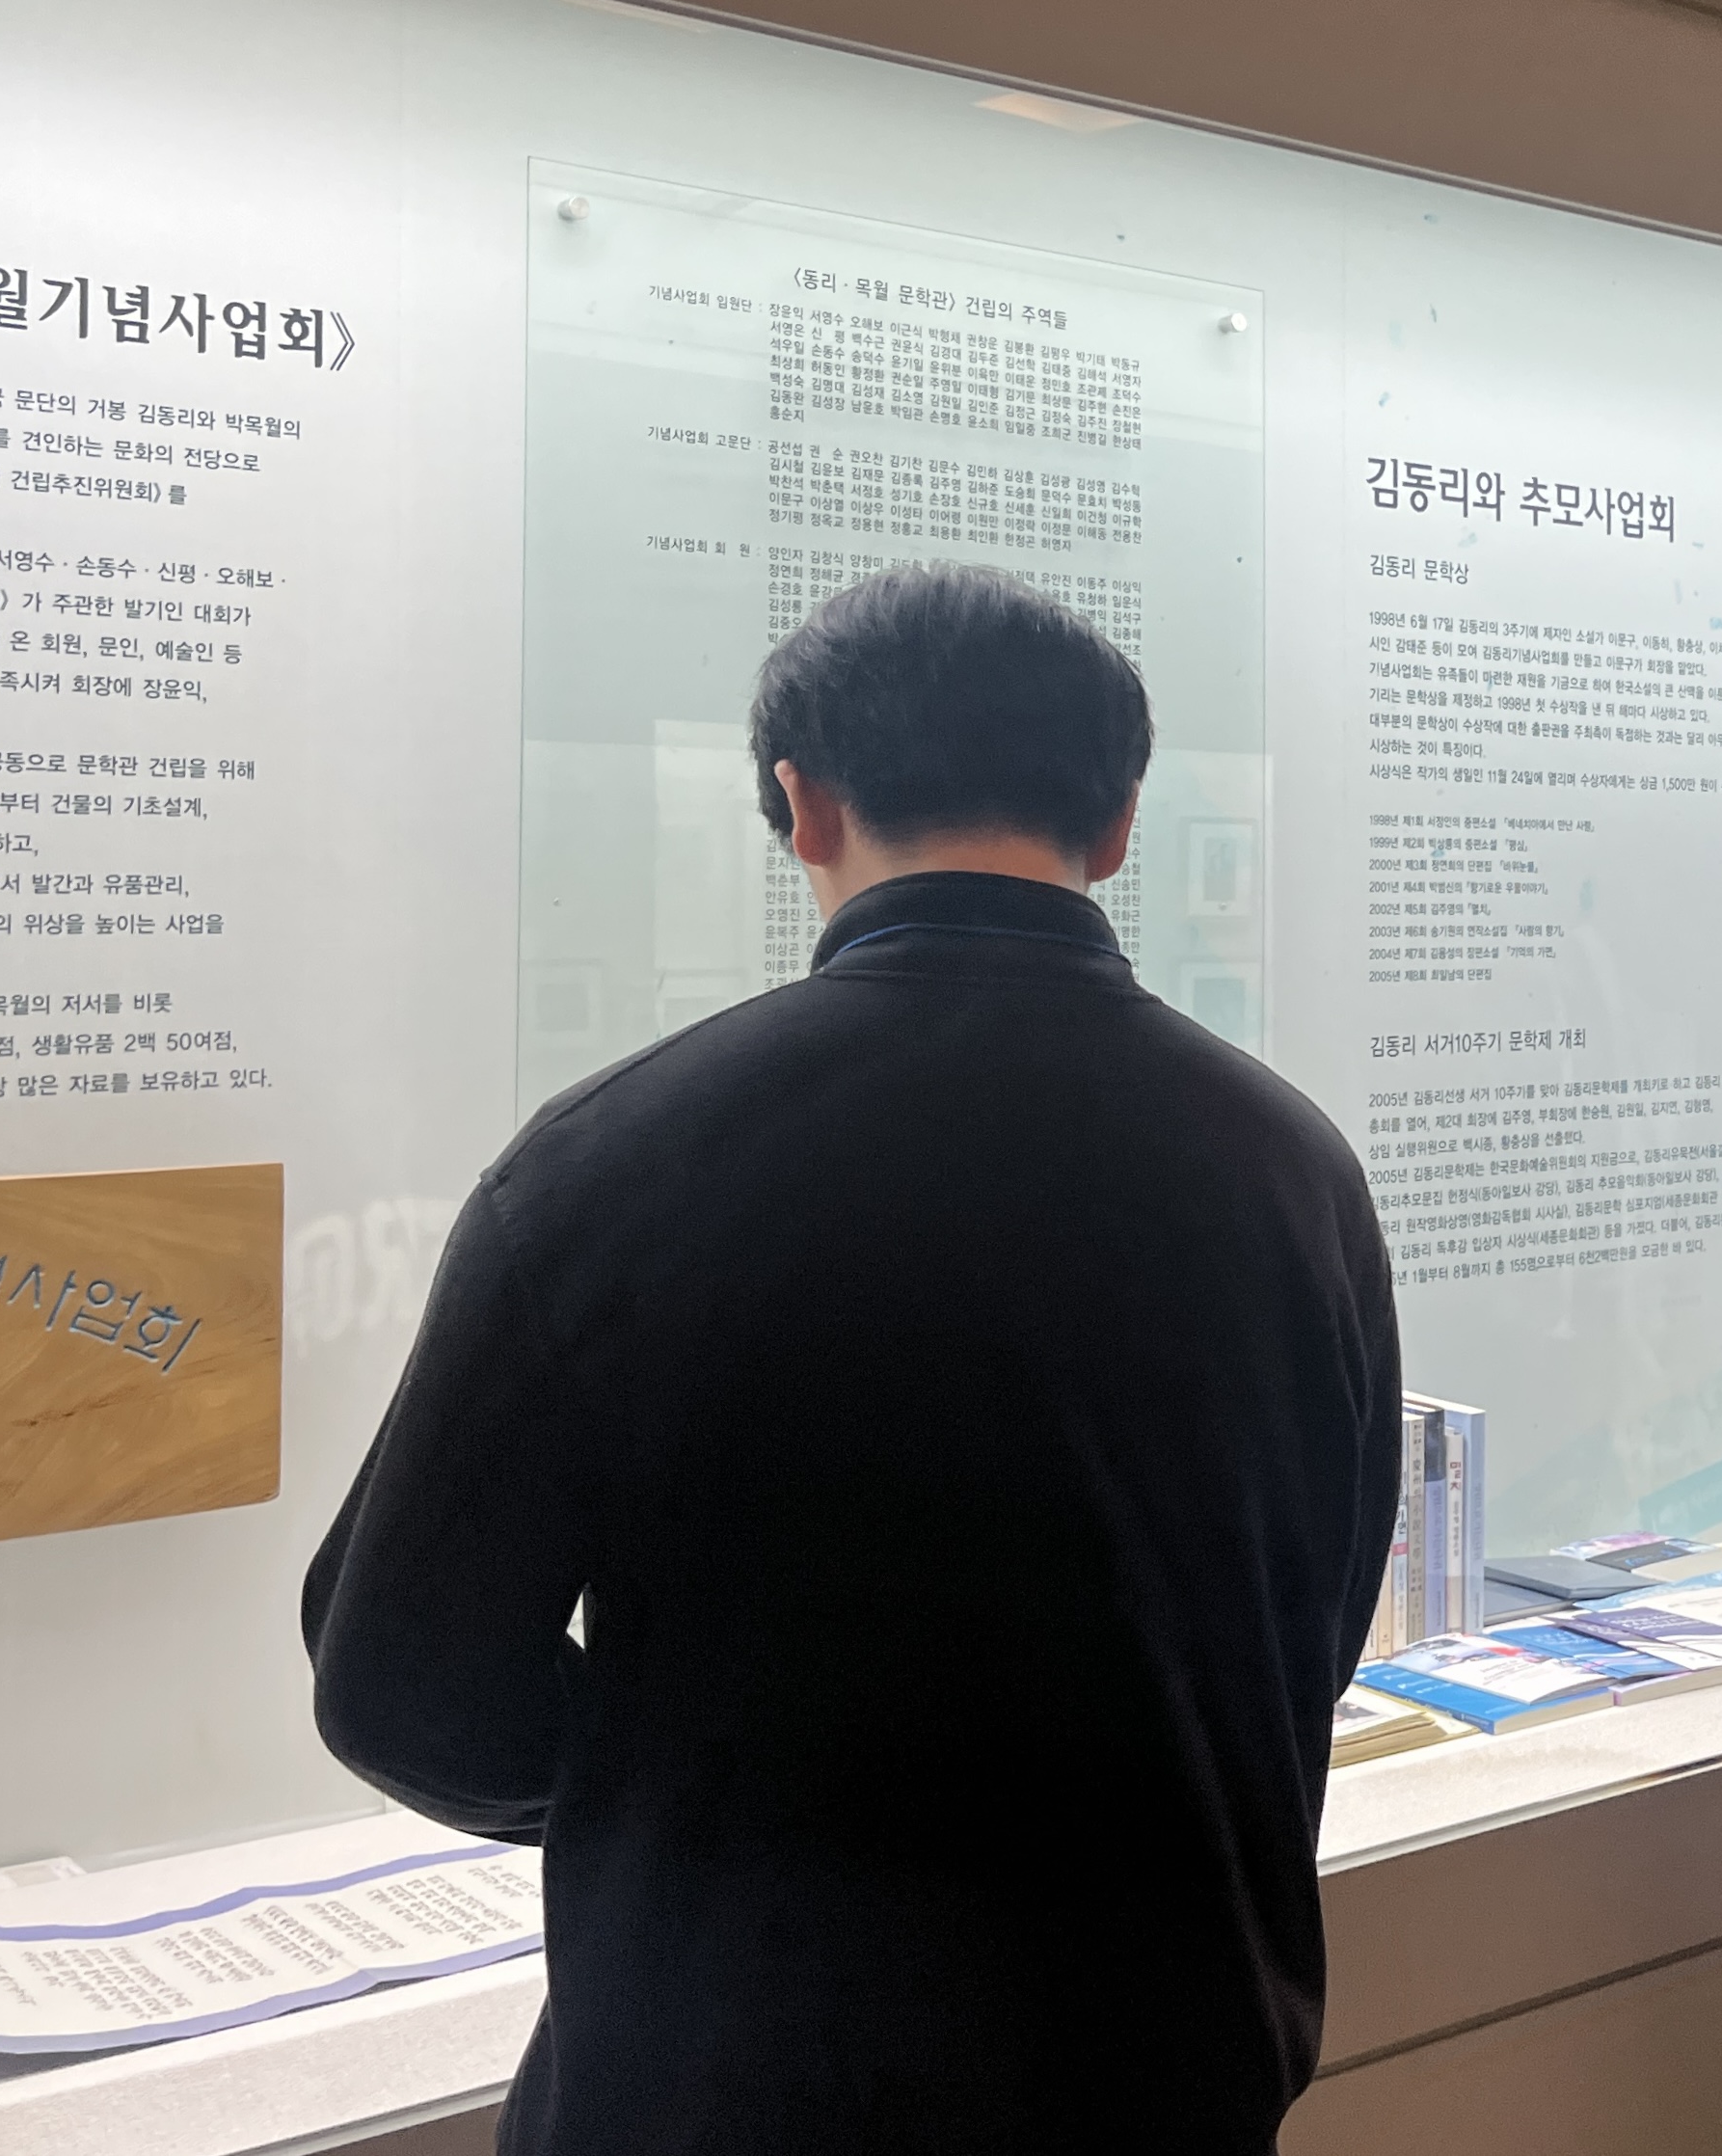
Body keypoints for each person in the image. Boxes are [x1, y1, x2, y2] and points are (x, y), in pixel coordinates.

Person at [305, 565, 1401, 2156]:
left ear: (802, 805)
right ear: (1116, 827)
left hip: (726, 2085)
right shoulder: (1292, 1169)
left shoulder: (609, 1165)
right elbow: (1317, 1622)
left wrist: (686, 1792)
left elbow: (403, 1688)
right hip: (1160, 2071)